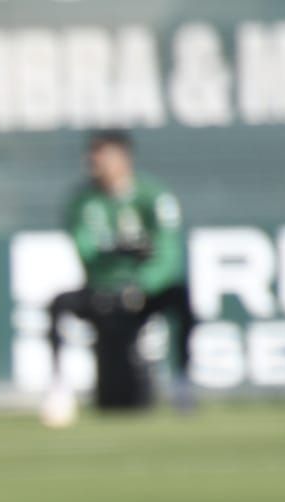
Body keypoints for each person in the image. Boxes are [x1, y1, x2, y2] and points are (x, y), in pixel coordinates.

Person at [44, 130, 195, 422]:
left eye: (102, 155)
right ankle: (59, 388)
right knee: (59, 305)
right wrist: (116, 263)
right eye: (92, 155)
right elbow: (85, 248)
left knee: (182, 300)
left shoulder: (153, 195)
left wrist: (142, 284)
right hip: (104, 289)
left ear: (124, 158)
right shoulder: (84, 200)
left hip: (146, 291)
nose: (94, 162)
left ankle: (182, 382)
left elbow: (168, 253)